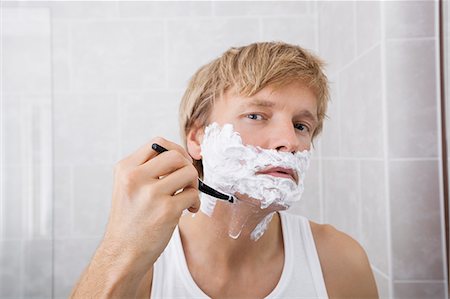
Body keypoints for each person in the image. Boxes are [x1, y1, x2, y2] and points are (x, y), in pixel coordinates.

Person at [70, 42, 378, 298]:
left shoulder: (339, 261)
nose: (290, 141)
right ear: (197, 139)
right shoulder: (143, 267)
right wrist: (119, 248)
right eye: (257, 116)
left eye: (301, 125)